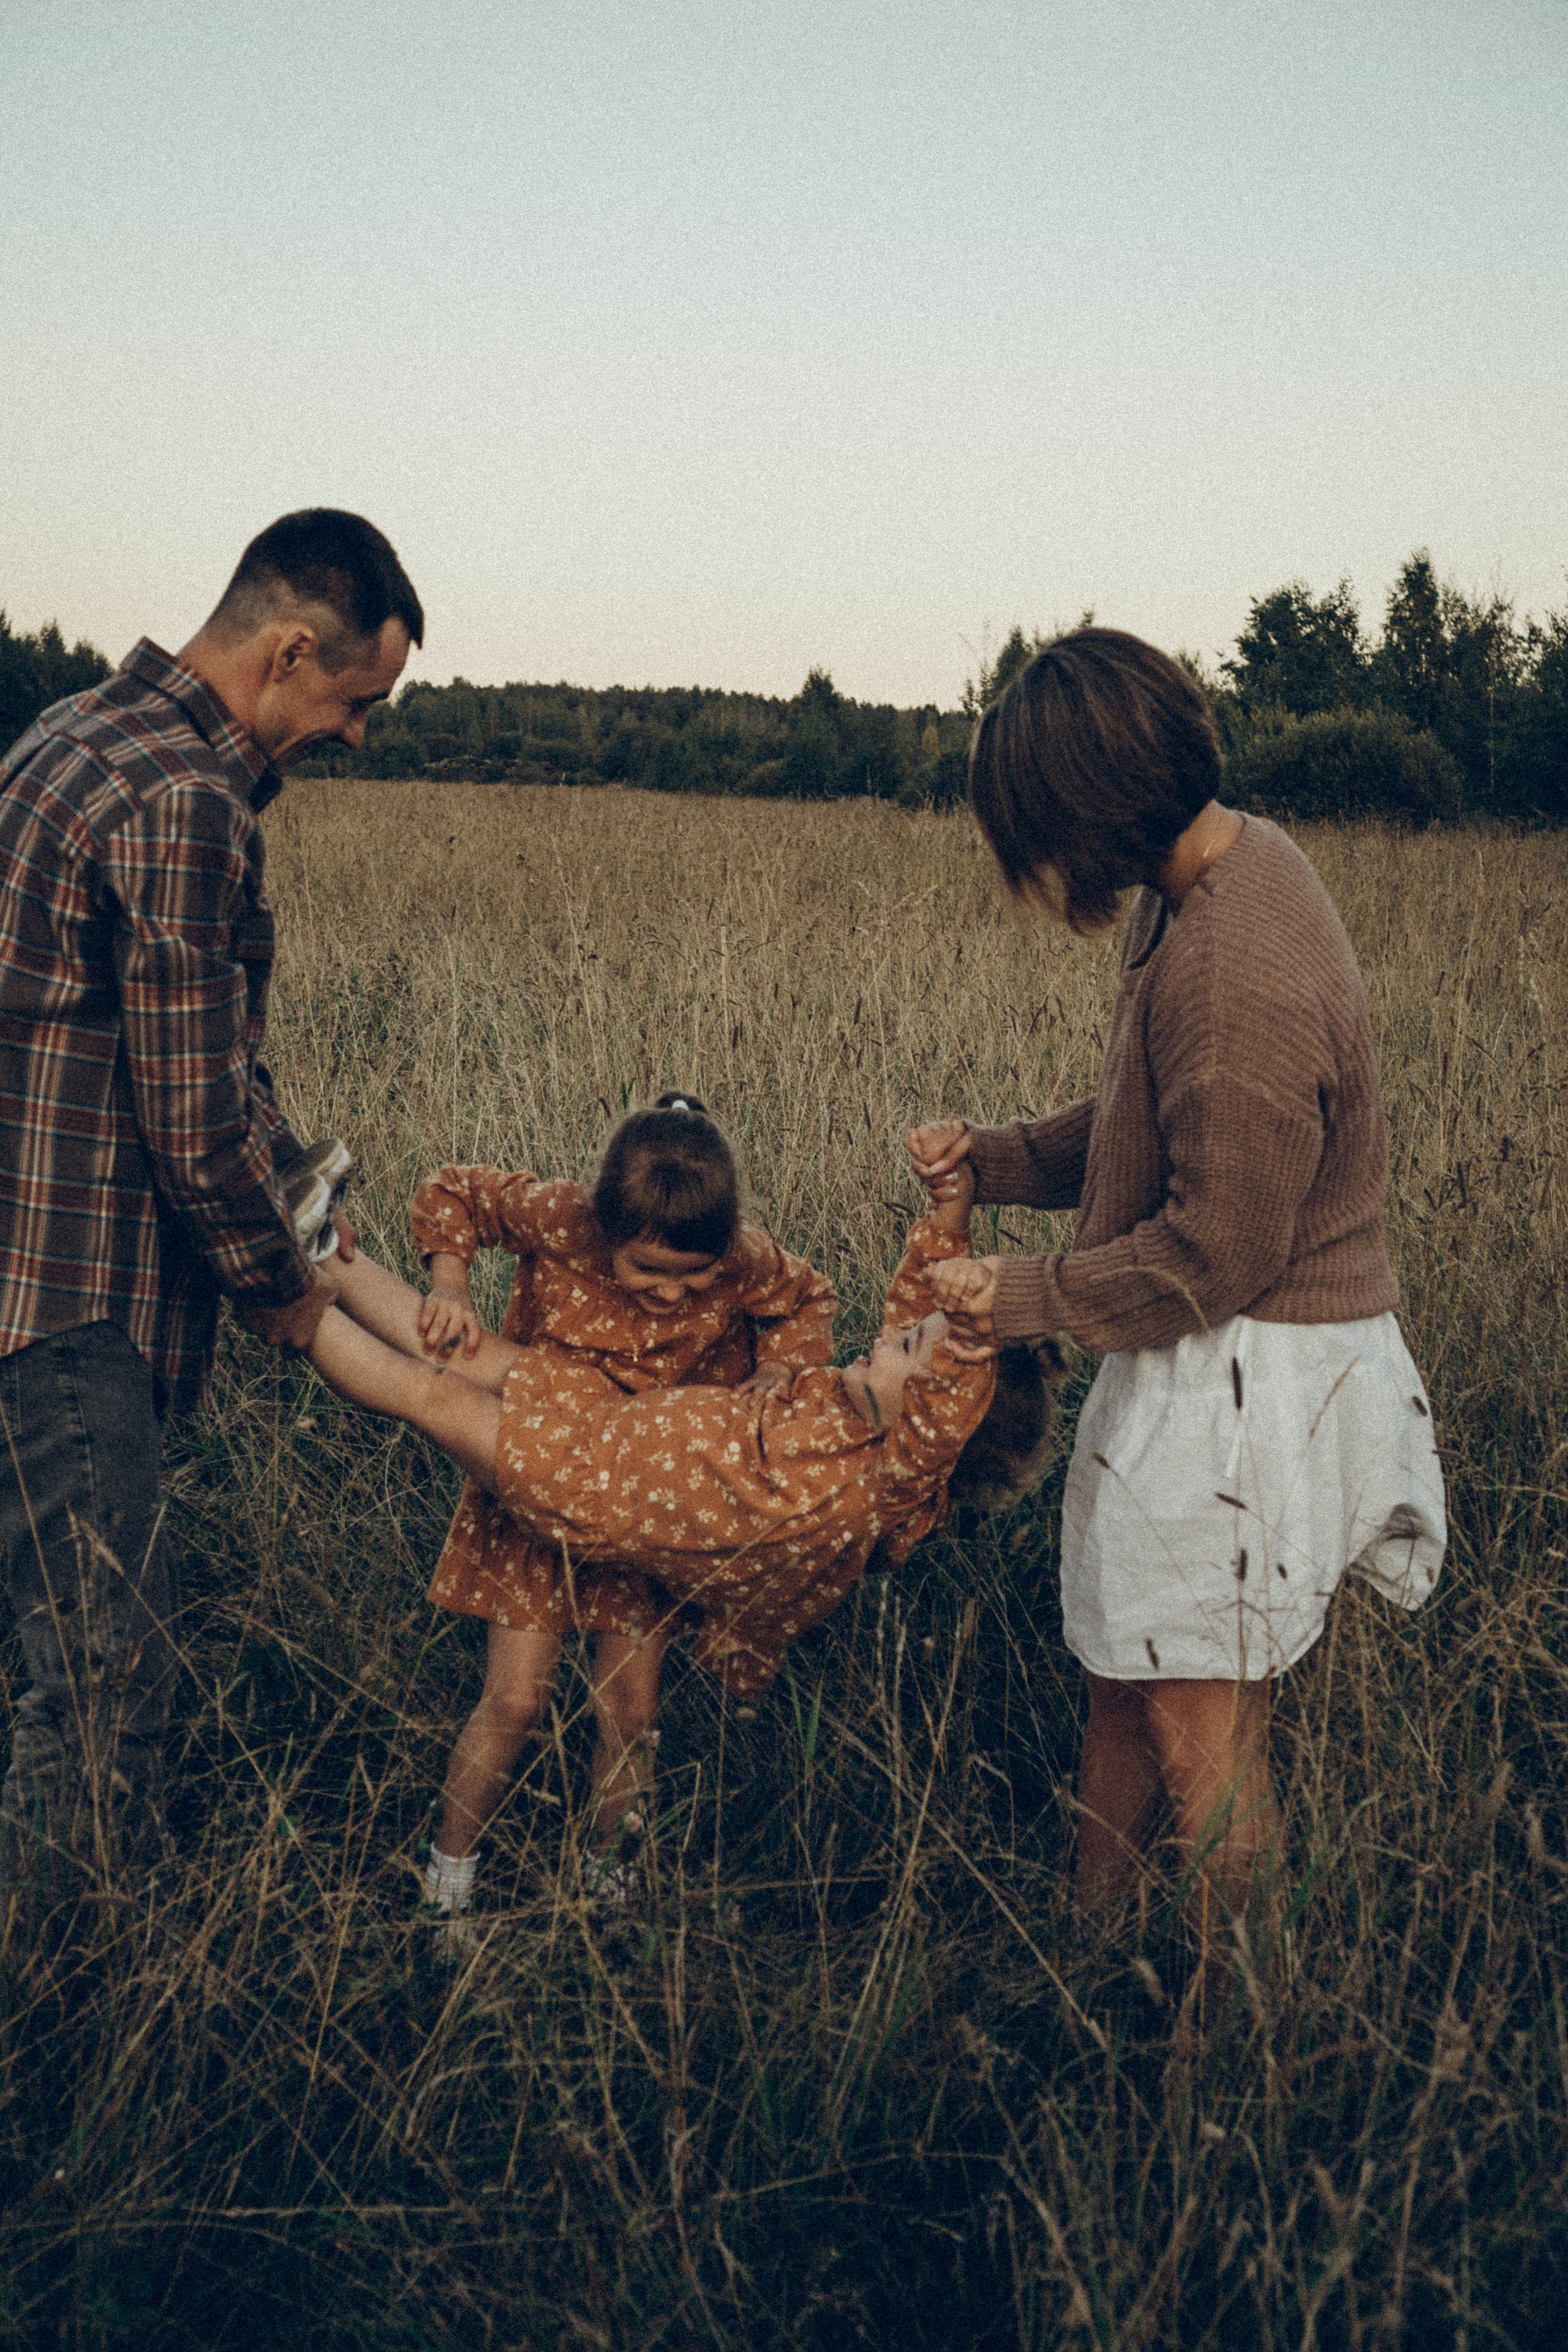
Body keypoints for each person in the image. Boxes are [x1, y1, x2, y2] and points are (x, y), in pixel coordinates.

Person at [908, 626, 1446, 1932]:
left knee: (1202, 1737)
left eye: (1032, 833)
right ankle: (1089, 1950)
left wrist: (1019, 1296)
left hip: (1251, 1376)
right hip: (1205, 1353)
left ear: (1085, 816)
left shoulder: (1233, 960)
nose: (1035, 869)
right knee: (1127, 1671)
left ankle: (1234, 2035)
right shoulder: (1207, 877)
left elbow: (1219, 1251)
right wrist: (997, 1156)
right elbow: (1159, 1117)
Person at [0, 509, 421, 1888]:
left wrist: (301, 1190)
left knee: (65, 1662)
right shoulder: (185, 800)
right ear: (289, 651)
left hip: (25, 1282)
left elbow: (195, 1060)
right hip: (66, 1306)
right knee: (103, 1688)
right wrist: (285, 1293)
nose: (359, 735)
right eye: (358, 701)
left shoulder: (73, 733)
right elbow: (190, 1123)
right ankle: (55, 1996)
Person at [298, 1172, 1053, 1926]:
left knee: (435, 1395)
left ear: (934, 1420)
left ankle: (288, 1303)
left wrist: (981, 1325)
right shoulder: (854, 1407)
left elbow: (950, 1389)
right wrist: (948, 1217)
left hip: (592, 1488)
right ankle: (320, 1249)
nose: (887, 1334)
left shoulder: (888, 1474)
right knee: (462, 1355)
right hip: (606, 1411)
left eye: (909, 1346)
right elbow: (919, 1312)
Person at [405, 1095, 837, 1915]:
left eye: (692, 1275)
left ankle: (607, 1891)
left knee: (630, 1712)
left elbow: (809, 1298)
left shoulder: (741, 1256)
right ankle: (447, 1887)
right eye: (649, 1270)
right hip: (538, 1481)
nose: (672, 1293)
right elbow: (454, 1191)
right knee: (516, 1701)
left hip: (649, 1510)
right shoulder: (564, 1219)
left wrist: (779, 1369)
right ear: (605, 1230)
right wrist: (450, 1284)